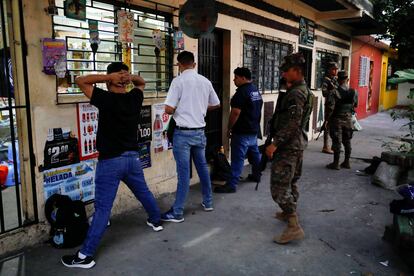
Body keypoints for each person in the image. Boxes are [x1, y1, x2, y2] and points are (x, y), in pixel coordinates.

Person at [61, 62, 163, 269]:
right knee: (143, 191)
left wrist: (110, 78)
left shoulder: (106, 98)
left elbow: (80, 80)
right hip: (132, 159)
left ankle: (85, 255)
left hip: (111, 161)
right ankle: (156, 220)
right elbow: (141, 82)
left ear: (110, 81)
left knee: (103, 209)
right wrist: (129, 77)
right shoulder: (134, 97)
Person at [162, 51, 220, 222]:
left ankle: (177, 212)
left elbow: (168, 109)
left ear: (179, 65)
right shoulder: (205, 81)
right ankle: (208, 202)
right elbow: (216, 104)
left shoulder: (178, 81)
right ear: (194, 64)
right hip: (200, 132)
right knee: (202, 168)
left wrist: (182, 108)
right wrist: (200, 109)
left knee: (183, 173)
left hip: (183, 134)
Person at [265, 53, 313, 244]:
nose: (283, 74)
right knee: (291, 181)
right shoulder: (300, 89)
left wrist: (274, 144)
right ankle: (288, 213)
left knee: (278, 186)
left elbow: (293, 123)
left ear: (297, 71)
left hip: (288, 146)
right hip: (296, 144)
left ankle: (293, 226)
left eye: (286, 70)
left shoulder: (296, 93)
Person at [214, 67, 263, 193]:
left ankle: (232, 184)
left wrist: (229, 128)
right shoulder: (255, 90)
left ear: (243, 78)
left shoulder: (241, 92)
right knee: (255, 155)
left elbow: (235, 113)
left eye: (235, 77)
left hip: (242, 131)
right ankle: (257, 175)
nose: (234, 80)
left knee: (237, 159)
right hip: (253, 129)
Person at [325, 71, 358, 170]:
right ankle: (347, 162)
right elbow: (355, 105)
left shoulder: (334, 92)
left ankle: (336, 163)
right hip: (348, 119)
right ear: (347, 79)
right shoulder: (354, 91)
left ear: (338, 80)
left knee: (337, 141)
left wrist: (327, 120)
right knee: (347, 140)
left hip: (336, 119)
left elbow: (330, 108)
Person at [321, 61, 339, 154]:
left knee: (335, 126)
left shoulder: (335, 79)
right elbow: (324, 93)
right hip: (329, 105)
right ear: (329, 70)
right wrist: (333, 90)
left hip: (336, 105)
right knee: (327, 126)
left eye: (336, 69)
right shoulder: (326, 80)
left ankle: (334, 145)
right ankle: (325, 146)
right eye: (333, 69)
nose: (335, 71)